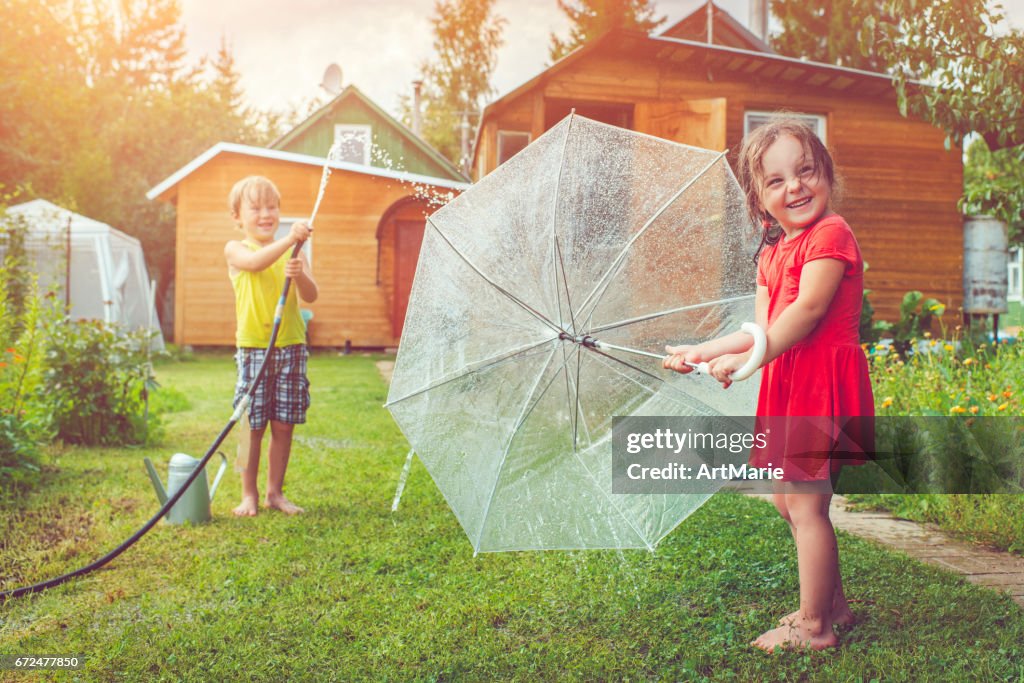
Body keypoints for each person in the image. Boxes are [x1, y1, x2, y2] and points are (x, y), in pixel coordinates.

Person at [663, 118, 874, 651]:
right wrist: (703, 351)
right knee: (788, 502)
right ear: (760, 201)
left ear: (826, 173)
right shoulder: (771, 252)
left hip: (819, 384)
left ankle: (814, 627)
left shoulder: (831, 235)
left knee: (806, 505)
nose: (795, 187)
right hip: (789, 383)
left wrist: (754, 360)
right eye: (776, 181)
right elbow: (757, 327)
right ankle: (836, 608)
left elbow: (806, 312)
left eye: (805, 171)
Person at [225, 176, 318, 517]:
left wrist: (300, 273)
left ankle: (274, 493)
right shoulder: (237, 250)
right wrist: (290, 241)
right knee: (253, 423)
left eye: (272, 206)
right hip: (254, 348)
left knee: (283, 423)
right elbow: (256, 263)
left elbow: (311, 295)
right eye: (255, 207)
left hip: (291, 346)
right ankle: (247, 494)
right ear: (238, 217)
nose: (265, 214)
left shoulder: (292, 252)